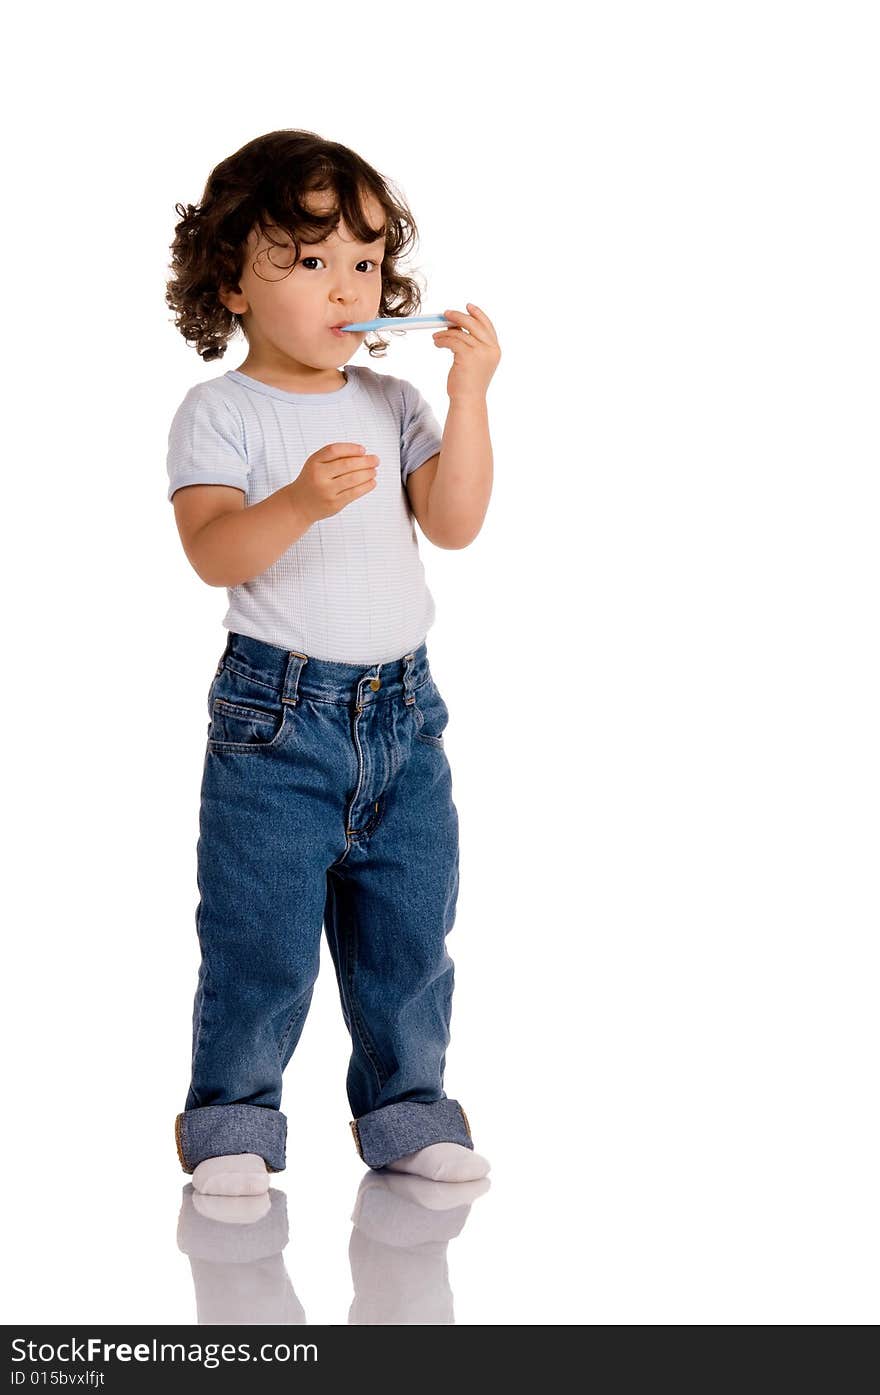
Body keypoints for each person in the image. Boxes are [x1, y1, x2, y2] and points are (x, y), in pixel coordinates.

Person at [164, 129, 500, 1197]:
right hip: (278, 726)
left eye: (362, 261)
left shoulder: (392, 404)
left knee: (409, 932)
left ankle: (407, 1110)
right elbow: (213, 548)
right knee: (260, 940)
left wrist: (473, 393)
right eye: (310, 261)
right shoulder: (221, 412)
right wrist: (299, 499)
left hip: (406, 718)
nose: (345, 283)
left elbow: (453, 524)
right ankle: (233, 1123)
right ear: (233, 279)